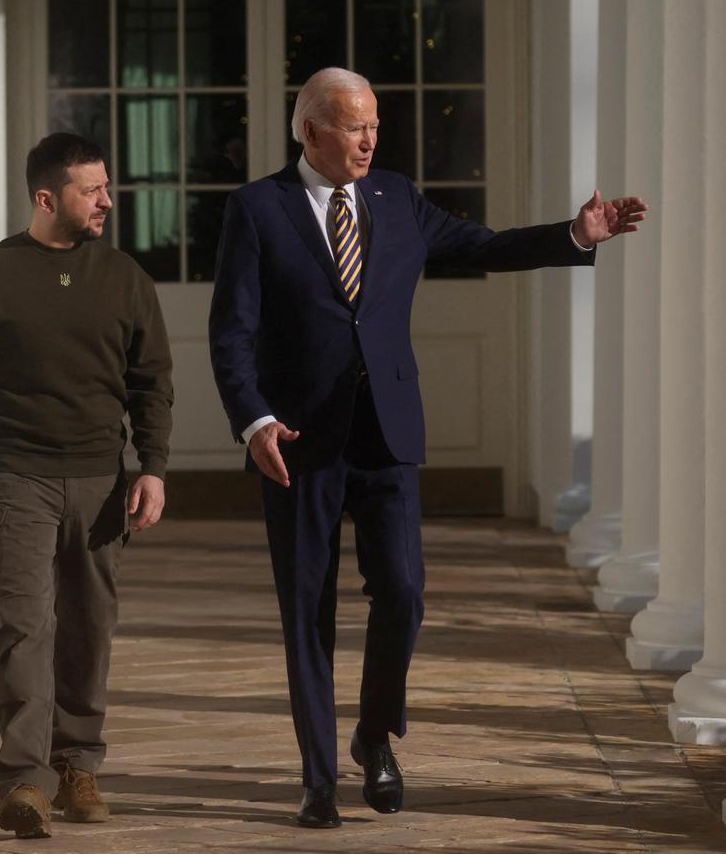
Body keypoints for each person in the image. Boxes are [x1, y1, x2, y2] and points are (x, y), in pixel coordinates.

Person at [207, 67, 646, 828]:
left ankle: (374, 737)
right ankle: (318, 779)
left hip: (387, 434)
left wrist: (576, 236)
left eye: (374, 123)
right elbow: (231, 332)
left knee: (404, 593)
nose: (370, 138)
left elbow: (486, 245)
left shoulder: (396, 198)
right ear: (310, 131)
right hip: (300, 442)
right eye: (352, 125)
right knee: (307, 611)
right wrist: (254, 421)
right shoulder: (257, 209)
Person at [0, 133, 173, 839]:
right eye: (93, 191)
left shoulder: (124, 280)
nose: (107, 203)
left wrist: (152, 466)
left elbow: (152, 385)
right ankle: (26, 780)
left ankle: (79, 764)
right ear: (46, 196)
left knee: (89, 628)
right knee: (24, 628)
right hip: (15, 479)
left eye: (107, 188)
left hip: (101, 482)